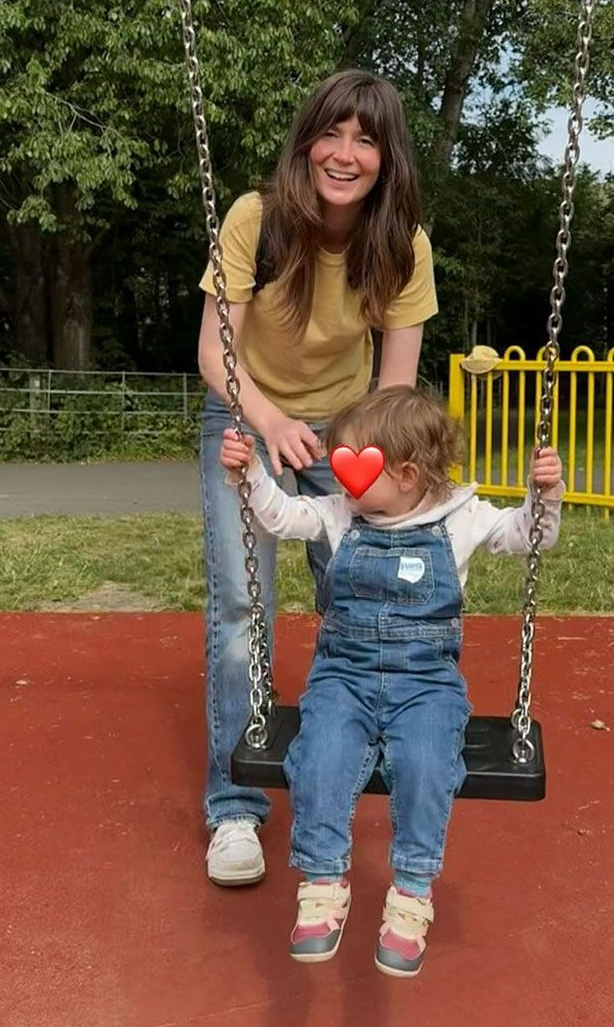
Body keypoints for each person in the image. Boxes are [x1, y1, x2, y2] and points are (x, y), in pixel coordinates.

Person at [218, 386, 562, 976]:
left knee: (429, 763)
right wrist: (249, 472)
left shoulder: (462, 516)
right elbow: (278, 514)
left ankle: (411, 893)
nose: (343, 480)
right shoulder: (337, 515)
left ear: (404, 473)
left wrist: (544, 496)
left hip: (426, 683)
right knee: (319, 755)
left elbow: (529, 536)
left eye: (356, 466)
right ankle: (324, 884)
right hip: (342, 678)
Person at [197, 69, 438, 888]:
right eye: (331, 134)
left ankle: (346, 762)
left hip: (349, 430)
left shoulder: (401, 245)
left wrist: (374, 475)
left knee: (358, 591)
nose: (345, 154)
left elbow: (396, 390)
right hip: (245, 414)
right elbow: (213, 353)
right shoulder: (256, 220)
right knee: (240, 602)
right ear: (305, 142)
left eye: (365, 139)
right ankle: (235, 806)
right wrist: (266, 424)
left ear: (385, 156)